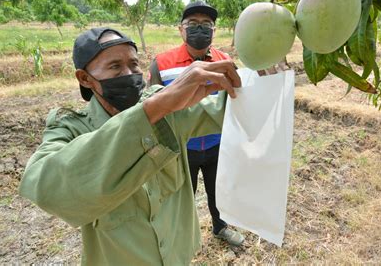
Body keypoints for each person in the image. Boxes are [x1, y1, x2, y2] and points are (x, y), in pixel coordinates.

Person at [19, 27, 241, 265]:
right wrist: (150, 112)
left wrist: (260, 74)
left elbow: (223, 112)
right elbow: (43, 184)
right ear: (84, 78)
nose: (129, 73)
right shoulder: (71, 127)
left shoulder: (166, 106)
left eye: (134, 65)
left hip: (179, 255)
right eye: (115, 67)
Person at [147, 1, 245, 246]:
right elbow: (150, 106)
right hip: (181, 148)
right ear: (181, 29)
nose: (199, 29)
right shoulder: (162, 63)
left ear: (214, 30)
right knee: (181, 196)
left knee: (218, 191)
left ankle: (220, 227)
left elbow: (237, 100)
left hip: (217, 144)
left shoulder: (225, 61)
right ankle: (181, 236)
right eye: (192, 24)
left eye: (206, 25)